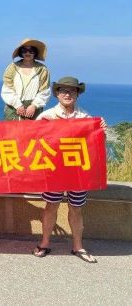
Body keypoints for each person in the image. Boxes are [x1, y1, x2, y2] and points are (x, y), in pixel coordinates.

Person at [33, 77, 107, 263]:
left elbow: (95, 144)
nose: (68, 94)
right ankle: (44, 243)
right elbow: (31, 139)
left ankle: (78, 246)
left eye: (72, 90)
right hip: (54, 171)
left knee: (76, 208)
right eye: (63, 90)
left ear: (77, 94)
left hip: (78, 172)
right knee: (51, 206)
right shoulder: (47, 116)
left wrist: (101, 132)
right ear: (57, 94)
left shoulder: (86, 118)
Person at [1, 38, 50, 120]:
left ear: (35, 52)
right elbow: (7, 89)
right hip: (13, 109)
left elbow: (45, 91)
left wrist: (34, 105)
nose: (28, 53)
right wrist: (18, 105)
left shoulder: (42, 69)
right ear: (20, 52)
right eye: (24, 51)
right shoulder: (12, 67)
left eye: (31, 51)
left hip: (33, 110)